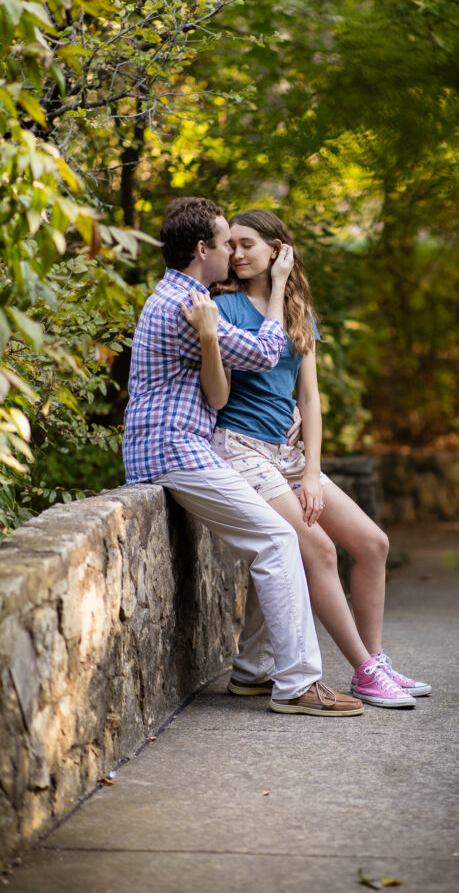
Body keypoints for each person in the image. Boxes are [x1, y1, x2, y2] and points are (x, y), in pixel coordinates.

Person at [122, 196, 363, 717]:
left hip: (179, 443)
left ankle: (255, 673)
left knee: (273, 540)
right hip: (175, 448)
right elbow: (263, 353)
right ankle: (297, 684)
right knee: (280, 539)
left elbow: (217, 392)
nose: (233, 251)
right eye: (227, 241)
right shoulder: (189, 304)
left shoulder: (184, 296)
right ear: (203, 247)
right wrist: (277, 286)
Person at [189, 208, 432, 708]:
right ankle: (363, 671)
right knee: (318, 549)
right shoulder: (225, 308)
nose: (235, 254)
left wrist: (314, 474)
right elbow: (220, 392)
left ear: (278, 250)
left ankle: (376, 660)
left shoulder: (301, 313)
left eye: (247, 244)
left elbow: (310, 398)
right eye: (229, 244)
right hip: (242, 449)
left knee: (372, 543)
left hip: (290, 452)